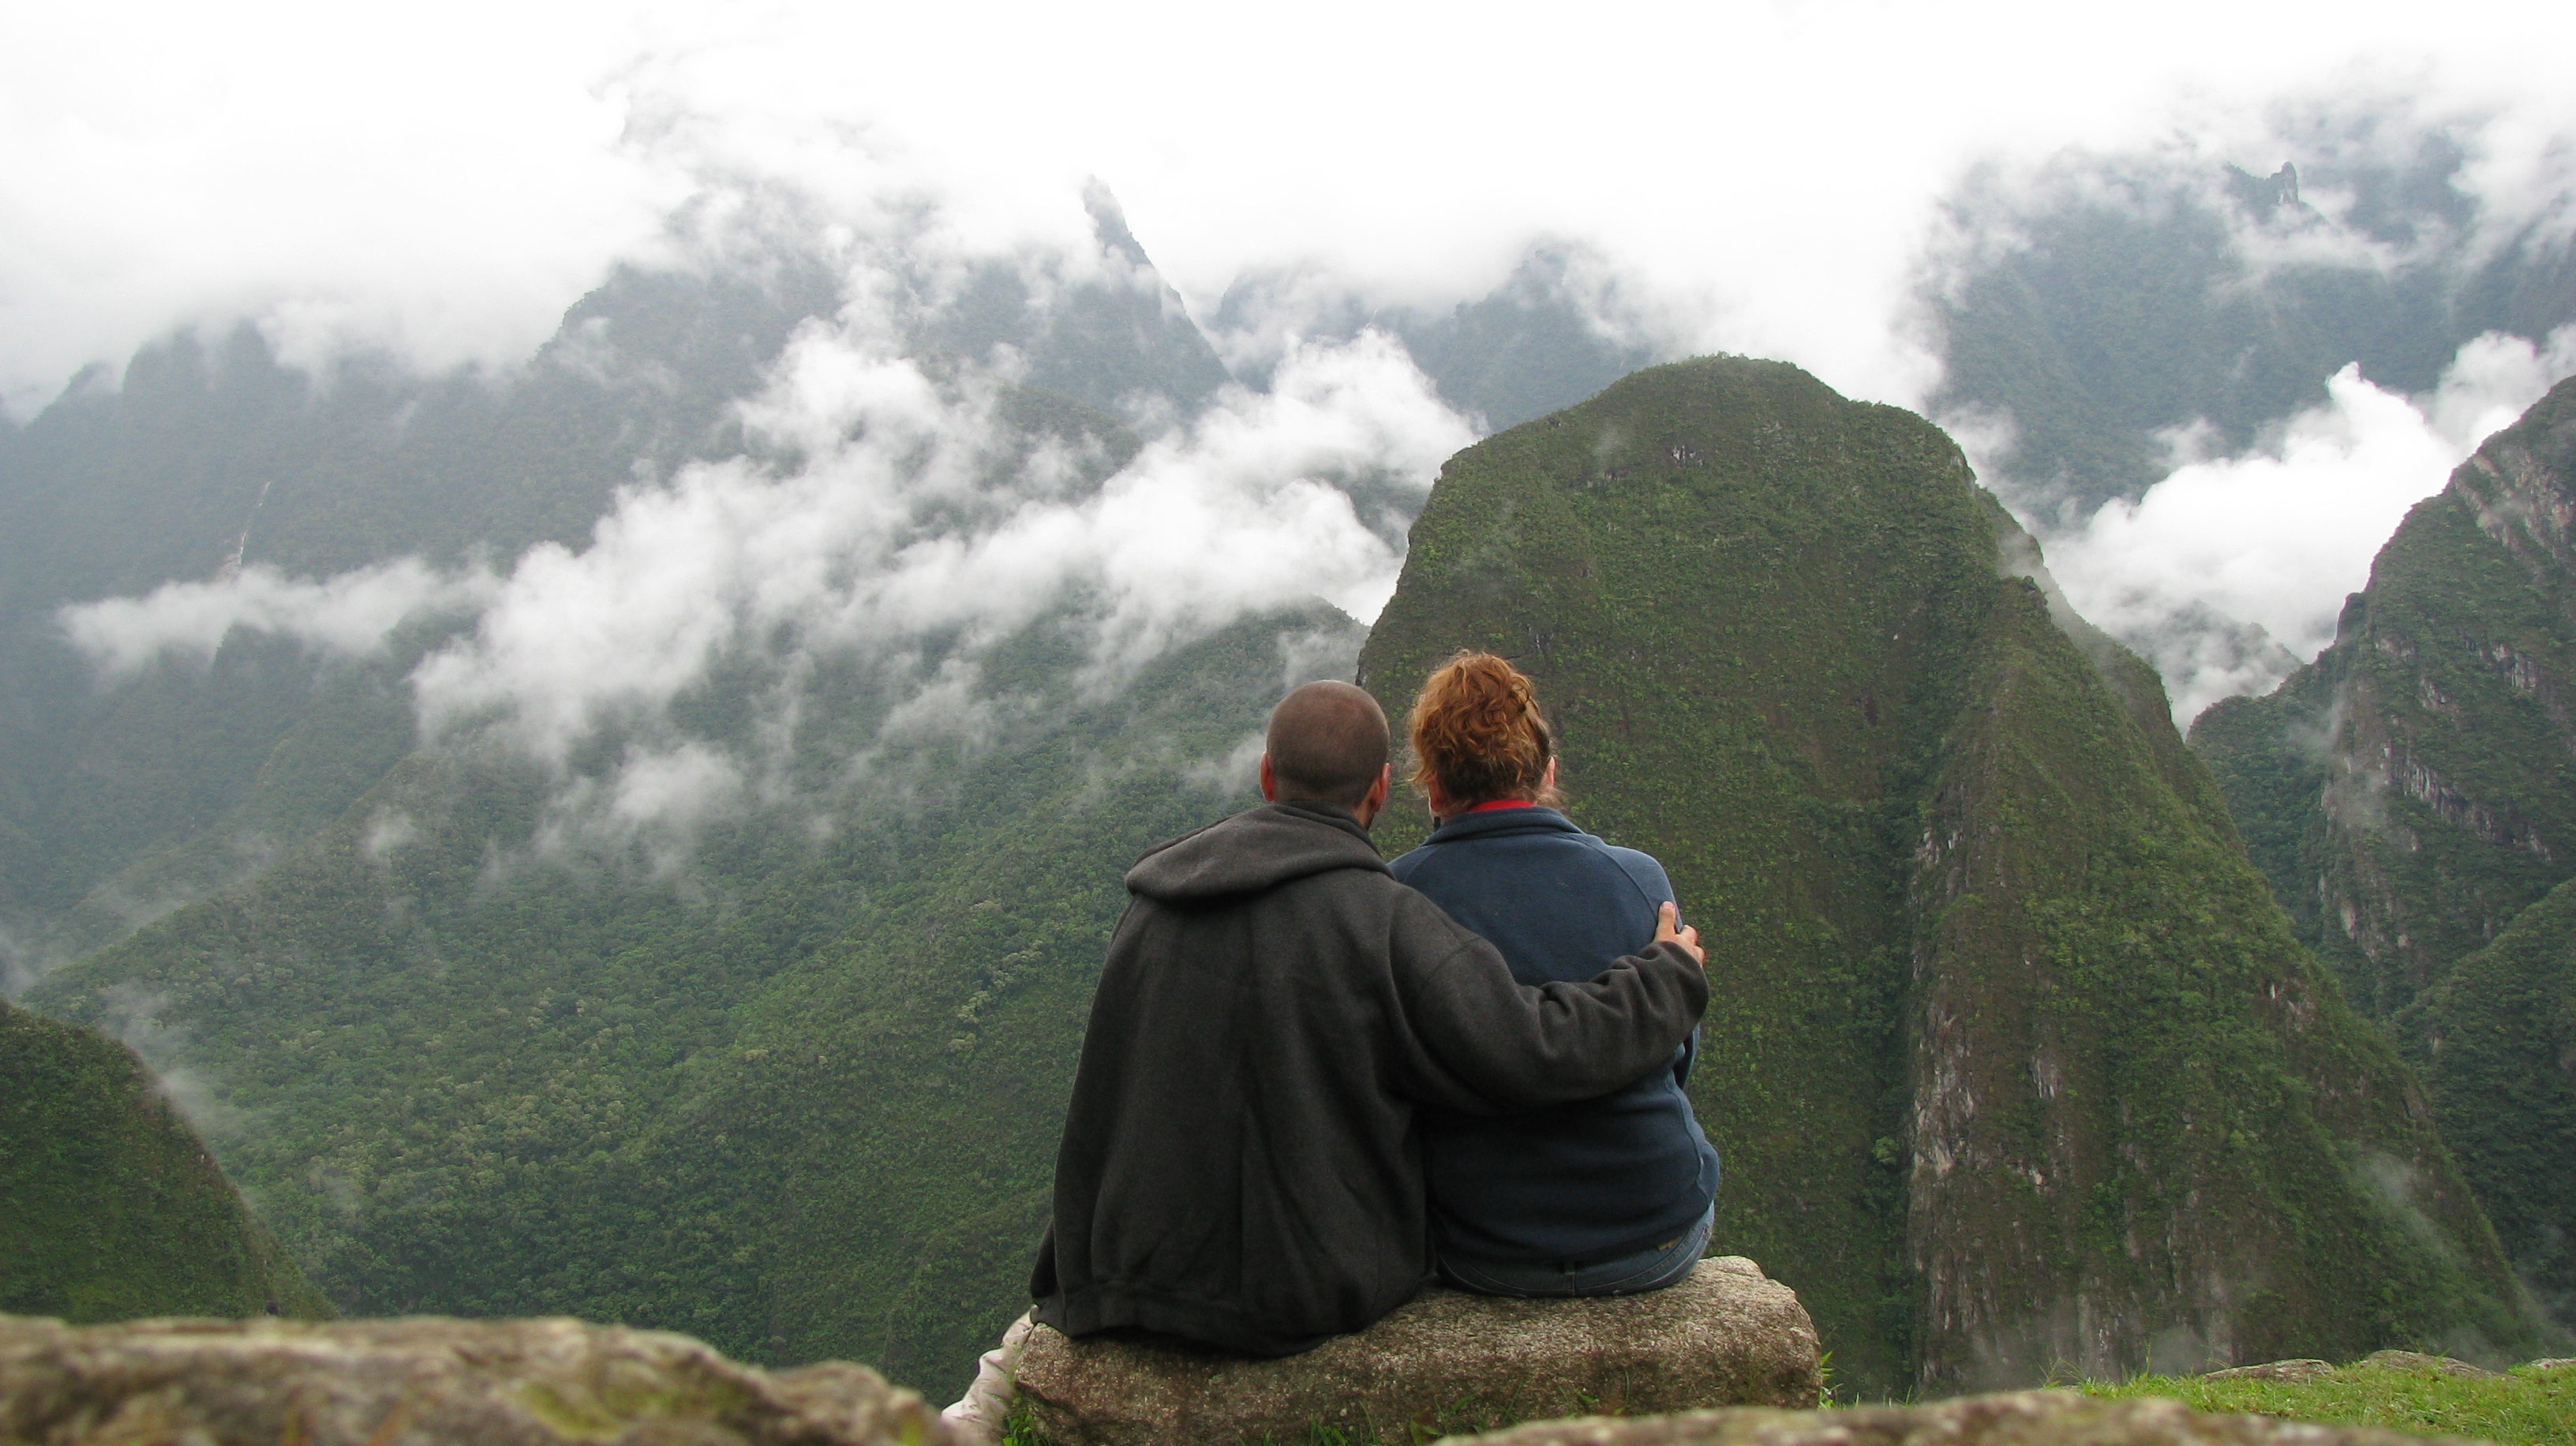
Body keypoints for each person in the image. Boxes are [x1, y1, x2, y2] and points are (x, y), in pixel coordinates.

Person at [945, 680, 1707, 1442]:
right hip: (1293, 1291)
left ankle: (975, 1411)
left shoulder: (1151, 903)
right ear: (1379, 790)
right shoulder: (1384, 921)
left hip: (1120, 1272)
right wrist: (1668, 976)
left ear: (1268, 776)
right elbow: (1533, 1050)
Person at [1390, 652, 1721, 1298]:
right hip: (1652, 1234)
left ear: (1431, 786)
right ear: (1547, 774)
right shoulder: (1640, 882)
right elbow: (1676, 1052)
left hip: (1482, 1244)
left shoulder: (1392, 900)